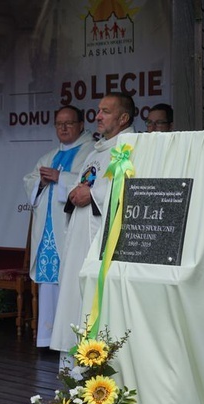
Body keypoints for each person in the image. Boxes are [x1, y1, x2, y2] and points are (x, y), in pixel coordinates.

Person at [51, 92, 136, 363]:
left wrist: (93, 196)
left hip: (101, 250)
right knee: (74, 305)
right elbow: (85, 183)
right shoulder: (97, 151)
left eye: (105, 111)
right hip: (78, 245)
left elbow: (130, 193)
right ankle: (72, 372)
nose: (97, 116)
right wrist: (77, 191)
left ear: (123, 118)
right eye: (98, 110)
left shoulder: (130, 149)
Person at [23, 106, 94, 348]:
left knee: (70, 282)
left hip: (70, 228)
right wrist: (41, 182)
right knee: (48, 284)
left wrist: (60, 178)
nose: (63, 128)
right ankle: (47, 338)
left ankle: (69, 339)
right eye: (59, 124)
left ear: (81, 125)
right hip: (48, 230)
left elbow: (90, 181)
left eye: (69, 123)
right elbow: (30, 182)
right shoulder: (49, 156)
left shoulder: (91, 152)